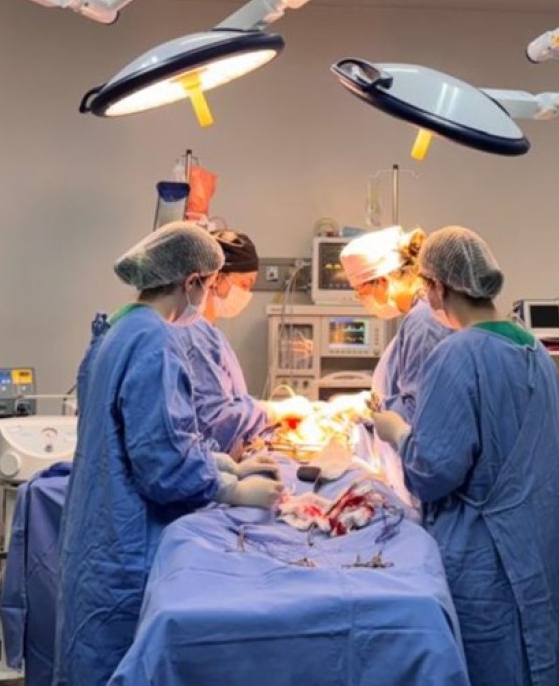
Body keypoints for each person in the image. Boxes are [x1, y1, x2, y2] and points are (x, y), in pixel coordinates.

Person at [53, 222, 284, 686]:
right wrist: (231, 489)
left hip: (95, 531)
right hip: (125, 544)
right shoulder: (155, 342)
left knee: (90, 659)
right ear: (192, 281)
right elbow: (161, 465)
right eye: (209, 285)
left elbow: (140, 438)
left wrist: (226, 463)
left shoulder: (119, 329)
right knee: (121, 662)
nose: (207, 298)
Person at [371, 226, 559, 686]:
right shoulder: (535, 350)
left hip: (487, 555)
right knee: (539, 657)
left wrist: (397, 432)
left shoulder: (457, 355)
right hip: (537, 543)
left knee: (494, 663)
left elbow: (432, 472)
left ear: (437, 286)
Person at [175, 229, 311, 455]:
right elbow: (216, 423)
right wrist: (272, 412)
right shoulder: (195, 337)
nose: (247, 294)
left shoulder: (209, 334)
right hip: (211, 462)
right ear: (217, 278)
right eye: (245, 284)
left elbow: (227, 402)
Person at [340, 226, 451, 423]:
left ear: (382, 281)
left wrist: (370, 411)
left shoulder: (424, 322)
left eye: (361, 292)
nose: (362, 300)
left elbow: (416, 414)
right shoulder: (417, 317)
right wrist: (364, 405)